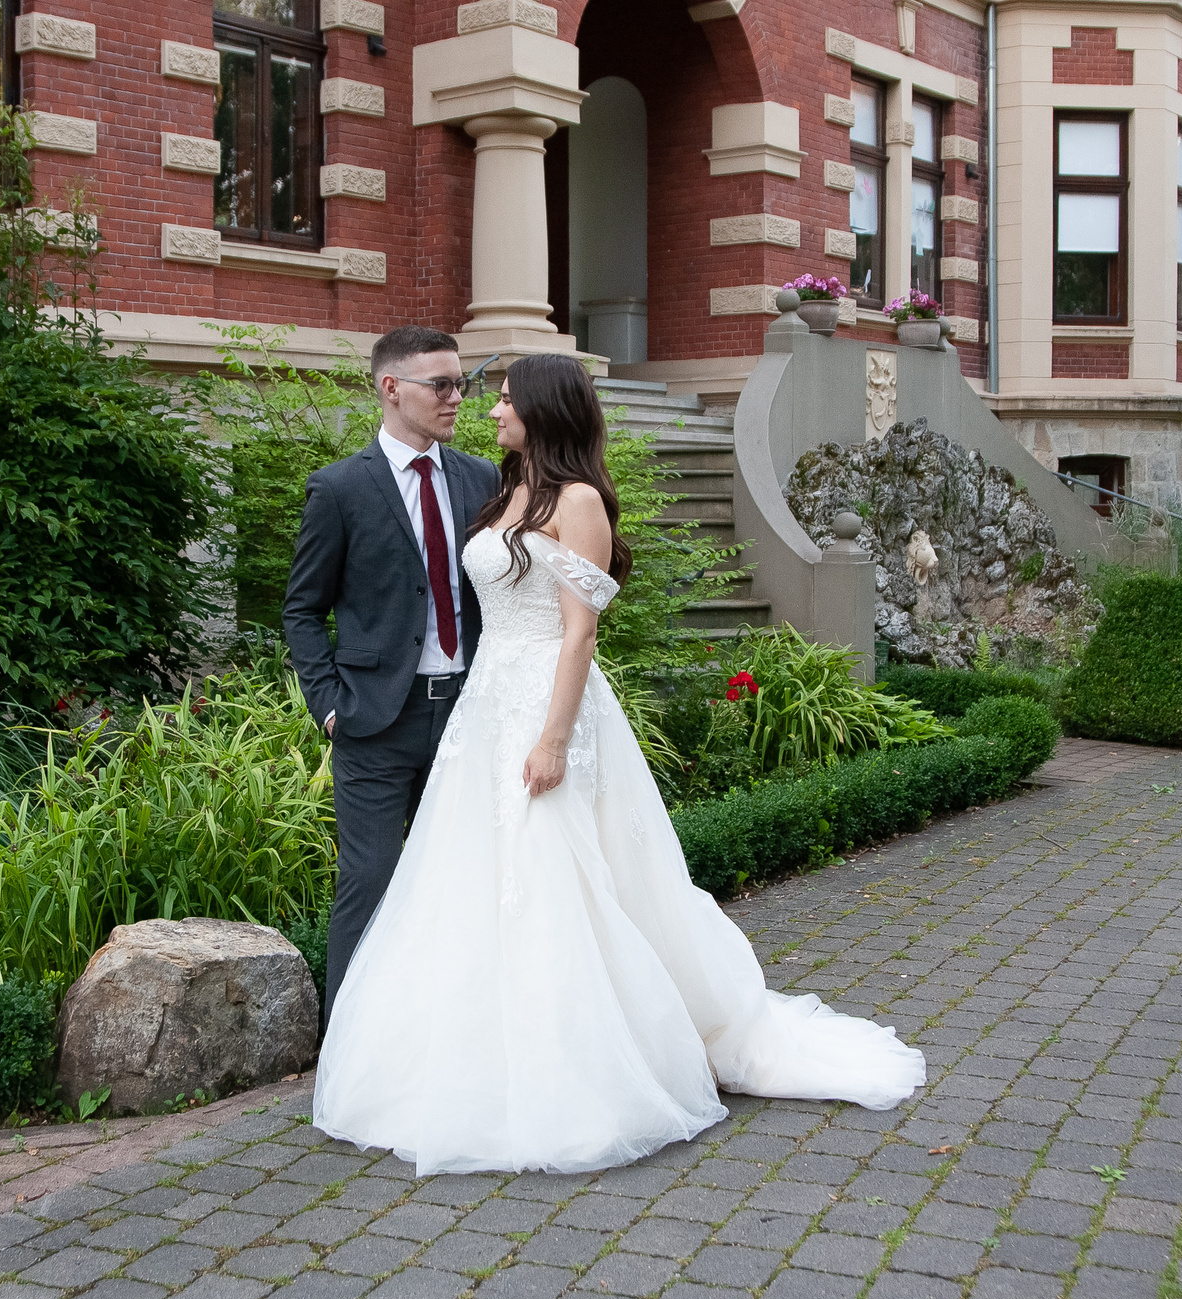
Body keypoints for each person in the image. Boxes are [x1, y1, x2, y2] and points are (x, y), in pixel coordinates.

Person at [311, 353, 926, 1174]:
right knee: (470, 879)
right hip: (487, 707)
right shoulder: (504, 492)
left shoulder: (580, 501)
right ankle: (467, 1054)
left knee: (552, 877)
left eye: (503, 400)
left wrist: (554, 739)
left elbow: (579, 631)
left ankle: (586, 1067)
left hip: (549, 707)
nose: (489, 411)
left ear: (543, 409)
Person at [282, 326, 503, 1015]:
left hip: (467, 712)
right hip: (376, 719)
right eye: (440, 384)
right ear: (391, 387)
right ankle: (346, 1043)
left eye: (461, 382)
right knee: (370, 878)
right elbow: (301, 610)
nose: (456, 396)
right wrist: (328, 702)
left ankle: (453, 1024)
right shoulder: (340, 489)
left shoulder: (480, 478)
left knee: (465, 875)